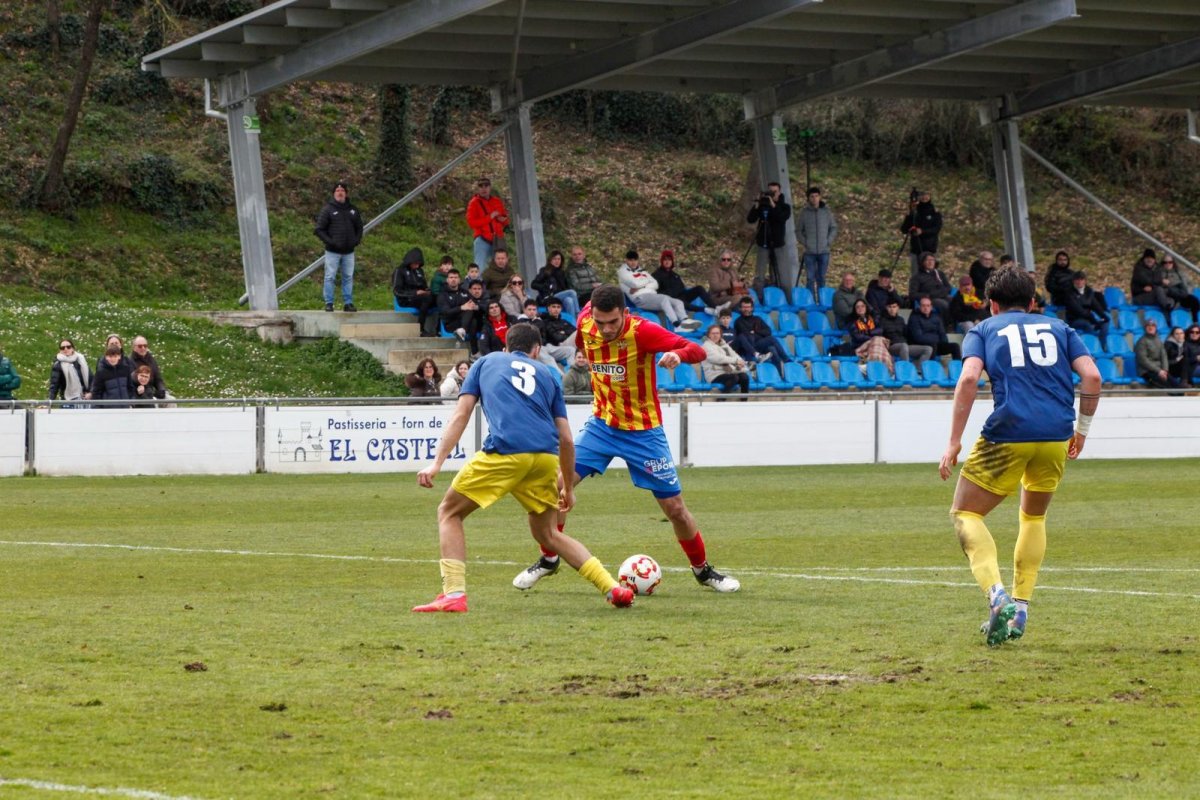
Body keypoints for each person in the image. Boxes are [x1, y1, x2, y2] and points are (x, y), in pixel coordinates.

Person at [511, 285, 740, 594]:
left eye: (613, 323)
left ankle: (702, 570)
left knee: (674, 508)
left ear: (625, 313)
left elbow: (697, 350)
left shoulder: (643, 331)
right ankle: (549, 558)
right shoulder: (585, 324)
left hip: (644, 432)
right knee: (557, 488)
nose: (605, 329)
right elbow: (583, 338)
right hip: (601, 427)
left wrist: (677, 354)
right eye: (600, 321)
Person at [414, 322, 633, 612]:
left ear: (505, 346)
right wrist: (567, 486)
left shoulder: (486, 362)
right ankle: (613, 588)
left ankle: (454, 595)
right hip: (543, 458)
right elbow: (567, 438)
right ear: (537, 350)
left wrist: (437, 463)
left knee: (449, 512)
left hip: (504, 452)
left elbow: (461, 414)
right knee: (549, 534)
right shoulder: (549, 374)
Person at [938, 266, 1101, 647]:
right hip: (1057, 435)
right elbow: (1091, 377)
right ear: (1031, 303)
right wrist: (1082, 432)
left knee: (965, 513)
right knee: (1033, 516)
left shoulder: (983, 330)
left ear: (991, 305)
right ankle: (1022, 607)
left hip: (1009, 432)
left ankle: (997, 596)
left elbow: (967, 379)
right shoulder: (1060, 328)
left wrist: (954, 442)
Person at [617, 249, 700, 332]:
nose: (633, 262)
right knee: (663, 299)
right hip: (639, 298)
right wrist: (647, 283)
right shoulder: (622, 272)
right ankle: (676, 326)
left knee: (678, 302)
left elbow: (655, 284)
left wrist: (642, 286)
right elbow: (634, 284)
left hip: (652, 296)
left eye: (635, 260)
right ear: (626, 260)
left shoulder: (642, 271)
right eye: (630, 260)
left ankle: (684, 320)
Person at [314, 180, 363, 312]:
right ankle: (329, 303)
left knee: (348, 277)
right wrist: (330, 242)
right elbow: (319, 229)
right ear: (333, 194)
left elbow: (359, 227)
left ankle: (348, 303)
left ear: (346, 194)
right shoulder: (328, 209)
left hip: (349, 251)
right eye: (337, 191)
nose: (340, 193)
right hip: (332, 252)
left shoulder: (353, 210)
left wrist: (356, 240)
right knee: (330, 277)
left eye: (342, 191)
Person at [653, 249, 727, 316]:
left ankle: (716, 307)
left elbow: (682, 287)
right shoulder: (657, 275)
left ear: (672, 261)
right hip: (671, 300)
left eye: (669, 259)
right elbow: (657, 292)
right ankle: (705, 310)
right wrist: (673, 292)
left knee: (699, 288)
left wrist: (679, 290)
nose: (667, 261)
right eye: (665, 259)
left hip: (682, 296)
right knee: (679, 301)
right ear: (662, 261)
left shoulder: (675, 275)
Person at [746, 181, 791, 286]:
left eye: (774, 192)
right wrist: (757, 204)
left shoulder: (785, 207)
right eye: (769, 192)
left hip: (778, 244)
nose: (772, 194)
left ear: (779, 192)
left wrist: (773, 205)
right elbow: (750, 219)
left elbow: (781, 217)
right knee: (760, 272)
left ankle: (779, 293)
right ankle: (759, 293)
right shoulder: (762, 206)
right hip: (763, 242)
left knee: (779, 271)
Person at [797, 186, 838, 298]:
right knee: (810, 278)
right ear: (808, 198)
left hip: (824, 250)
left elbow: (833, 227)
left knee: (821, 278)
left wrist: (828, 241)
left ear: (820, 197)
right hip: (810, 252)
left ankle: (822, 300)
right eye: (812, 196)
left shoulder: (826, 212)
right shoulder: (804, 213)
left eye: (816, 196)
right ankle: (810, 301)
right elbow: (799, 231)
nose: (814, 199)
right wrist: (806, 242)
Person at [465, 177, 510, 270]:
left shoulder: (497, 201)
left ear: (490, 187)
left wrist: (503, 220)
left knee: (502, 267)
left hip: (497, 240)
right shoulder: (474, 203)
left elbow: (506, 220)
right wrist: (490, 217)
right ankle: (477, 284)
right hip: (482, 239)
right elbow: (471, 223)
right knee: (479, 268)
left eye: (486, 186)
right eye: (481, 186)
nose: (484, 188)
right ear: (478, 189)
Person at [392, 247, 438, 337]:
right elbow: (397, 291)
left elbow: (424, 286)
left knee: (439, 298)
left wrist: (427, 291)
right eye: (415, 264)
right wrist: (415, 293)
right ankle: (420, 329)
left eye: (419, 264)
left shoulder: (419, 271)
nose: (417, 266)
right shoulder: (399, 271)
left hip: (422, 297)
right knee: (426, 299)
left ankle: (439, 329)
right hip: (406, 298)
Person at [733, 296, 788, 369]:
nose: (746, 309)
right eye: (744, 307)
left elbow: (768, 331)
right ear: (740, 308)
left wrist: (755, 331)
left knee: (772, 348)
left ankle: (781, 371)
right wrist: (760, 334)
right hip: (748, 348)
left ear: (752, 308)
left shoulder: (757, 319)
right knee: (770, 339)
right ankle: (787, 360)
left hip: (760, 345)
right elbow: (748, 336)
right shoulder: (738, 321)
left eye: (748, 307)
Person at [845, 298, 893, 375]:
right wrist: (872, 338)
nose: (860, 308)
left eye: (862, 306)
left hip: (873, 344)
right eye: (858, 307)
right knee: (877, 341)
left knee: (877, 341)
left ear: (866, 307)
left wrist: (868, 332)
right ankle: (884, 367)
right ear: (855, 309)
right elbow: (858, 336)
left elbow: (880, 330)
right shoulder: (852, 321)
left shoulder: (872, 318)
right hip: (860, 345)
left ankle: (874, 367)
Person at [701, 324, 750, 399]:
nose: (715, 335)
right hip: (714, 374)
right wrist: (736, 361)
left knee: (744, 377)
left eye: (717, 333)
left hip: (728, 372)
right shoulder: (706, 346)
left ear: (720, 334)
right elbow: (718, 358)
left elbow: (734, 354)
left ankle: (744, 401)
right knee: (734, 378)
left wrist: (741, 362)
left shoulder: (723, 344)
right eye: (713, 333)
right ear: (709, 335)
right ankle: (721, 400)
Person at [518, 300, 566, 374]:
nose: (532, 312)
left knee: (569, 350)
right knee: (549, 359)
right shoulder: (519, 322)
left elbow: (544, 338)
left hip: (541, 346)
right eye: (529, 309)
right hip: (527, 349)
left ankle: (571, 374)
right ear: (524, 310)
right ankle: (562, 376)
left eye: (534, 309)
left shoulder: (540, 322)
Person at [907, 295, 961, 361]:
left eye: (928, 305)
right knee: (932, 346)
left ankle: (960, 368)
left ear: (931, 307)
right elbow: (918, 337)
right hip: (921, 345)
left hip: (936, 344)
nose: (926, 308)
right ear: (919, 307)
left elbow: (942, 333)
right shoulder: (914, 318)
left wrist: (943, 342)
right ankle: (930, 368)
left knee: (955, 346)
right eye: (923, 305)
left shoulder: (936, 317)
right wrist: (936, 339)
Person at [899, 189, 942, 270]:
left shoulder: (934, 212)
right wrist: (911, 213)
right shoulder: (915, 211)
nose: (924, 197)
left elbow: (936, 229)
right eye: (922, 195)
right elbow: (904, 229)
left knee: (930, 275)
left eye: (926, 195)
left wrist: (922, 231)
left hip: (930, 249)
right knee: (916, 275)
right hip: (916, 250)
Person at [879, 300, 930, 367]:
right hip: (892, 346)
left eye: (894, 307)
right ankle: (907, 370)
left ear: (898, 308)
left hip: (905, 346)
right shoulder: (882, 320)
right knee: (903, 346)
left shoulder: (901, 319)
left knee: (928, 349)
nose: (892, 309)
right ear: (886, 308)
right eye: (890, 307)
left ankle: (917, 368)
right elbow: (879, 335)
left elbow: (907, 334)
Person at [531, 250, 581, 318]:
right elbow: (533, 284)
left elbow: (565, 287)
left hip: (560, 296)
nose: (557, 261)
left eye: (559, 259)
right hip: (550, 297)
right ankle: (578, 314)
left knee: (569, 300)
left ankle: (573, 323)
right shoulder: (545, 270)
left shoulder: (562, 272)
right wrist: (545, 287)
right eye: (554, 259)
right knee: (572, 292)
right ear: (550, 260)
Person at [1063, 271, 1110, 339]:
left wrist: (1104, 316)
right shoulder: (1069, 293)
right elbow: (1078, 310)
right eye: (1077, 280)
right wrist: (1093, 320)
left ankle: (1102, 344)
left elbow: (1095, 305)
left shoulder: (1088, 291)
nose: (1079, 282)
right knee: (1087, 325)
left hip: (1089, 318)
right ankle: (1092, 344)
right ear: (1073, 281)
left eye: (1081, 279)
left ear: (1085, 281)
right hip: (1074, 319)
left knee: (1105, 323)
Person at [1130, 248, 1174, 315]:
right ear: (1144, 259)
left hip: (1153, 295)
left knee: (1170, 300)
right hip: (1139, 297)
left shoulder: (1157, 268)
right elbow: (1147, 281)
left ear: (1154, 259)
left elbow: (1157, 282)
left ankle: (1167, 312)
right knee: (1159, 291)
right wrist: (1143, 289)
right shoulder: (1139, 269)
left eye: (1151, 258)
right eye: (1147, 258)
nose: (1149, 260)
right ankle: (1167, 308)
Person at [48, 338, 91, 405]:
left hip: (85, 399)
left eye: (68, 347)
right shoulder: (58, 365)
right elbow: (54, 385)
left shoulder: (81, 361)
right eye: (62, 348)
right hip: (67, 401)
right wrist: (49, 402)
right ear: (60, 351)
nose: (66, 349)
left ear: (73, 348)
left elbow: (91, 379)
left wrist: (91, 392)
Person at [91, 343, 134, 407]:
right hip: (109, 409)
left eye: (115, 356)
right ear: (106, 357)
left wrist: (131, 400)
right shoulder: (101, 372)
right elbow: (96, 392)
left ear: (119, 356)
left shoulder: (125, 369)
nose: (113, 359)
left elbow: (130, 387)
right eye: (110, 356)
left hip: (125, 407)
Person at [436, 269, 474, 342]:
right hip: (450, 322)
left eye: (456, 277)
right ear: (447, 280)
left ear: (459, 280)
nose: (453, 279)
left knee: (473, 319)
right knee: (470, 315)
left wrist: (474, 306)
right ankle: (473, 350)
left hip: (464, 321)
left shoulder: (465, 292)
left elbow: (471, 304)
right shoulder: (442, 295)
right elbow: (446, 312)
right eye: (451, 277)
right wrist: (461, 308)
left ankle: (462, 331)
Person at [1135, 320, 1175, 388]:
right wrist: (1159, 371)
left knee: (1176, 384)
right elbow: (1143, 360)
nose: (1151, 328)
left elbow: (1164, 356)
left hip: (1160, 370)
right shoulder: (1141, 342)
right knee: (1167, 386)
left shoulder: (1158, 340)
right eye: (1148, 326)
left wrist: (1165, 370)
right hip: (1147, 371)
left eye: (1153, 326)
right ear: (1145, 328)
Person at [1162, 254, 1200, 323]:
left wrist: (1187, 292)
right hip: (1171, 294)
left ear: (1173, 262)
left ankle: (1195, 321)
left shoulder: (1180, 273)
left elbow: (1190, 284)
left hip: (1183, 294)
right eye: (1165, 262)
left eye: (1170, 262)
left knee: (1195, 301)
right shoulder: (1160, 273)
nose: (1168, 264)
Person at [540, 297, 578, 366]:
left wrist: (563, 332)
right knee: (579, 333)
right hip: (556, 346)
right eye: (553, 307)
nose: (556, 309)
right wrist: (565, 332)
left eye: (558, 307)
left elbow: (574, 330)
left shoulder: (564, 321)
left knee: (581, 332)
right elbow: (557, 338)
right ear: (548, 308)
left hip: (569, 343)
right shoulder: (545, 322)